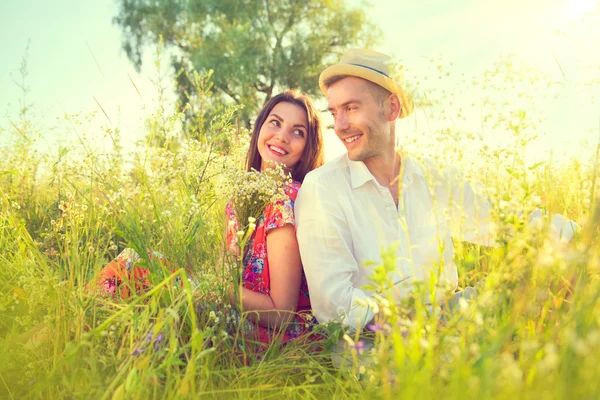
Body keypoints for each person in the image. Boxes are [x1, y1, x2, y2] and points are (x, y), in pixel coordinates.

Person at [294, 49, 578, 332]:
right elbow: (335, 305)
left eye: (352, 108)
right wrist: (422, 331)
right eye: (334, 112)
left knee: (551, 268)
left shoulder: (435, 177)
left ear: (391, 108)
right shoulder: (323, 188)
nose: (340, 125)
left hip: (450, 322)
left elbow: (508, 223)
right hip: (374, 347)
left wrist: (580, 234)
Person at [88, 90, 325, 348]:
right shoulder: (241, 199)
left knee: (136, 265)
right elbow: (227, 274)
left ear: (307, 148)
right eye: (275, 123)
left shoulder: (286, 200)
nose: (282, 136)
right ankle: (94, 340)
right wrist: (214, 282)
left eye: (297, 132)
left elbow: (281, 313)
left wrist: (212, 288)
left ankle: (76, 331)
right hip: (236, 312)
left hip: (275, 338)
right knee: (146, 273)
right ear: (259, 128)